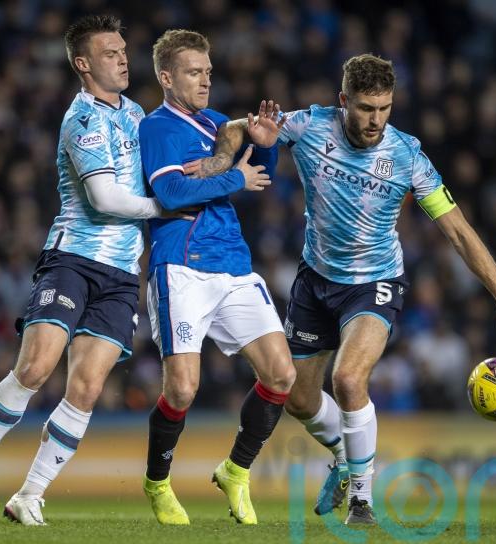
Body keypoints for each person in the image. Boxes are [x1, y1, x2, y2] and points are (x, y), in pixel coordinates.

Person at [206, 53, 496, 524]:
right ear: (344, 102)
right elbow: (239, 125)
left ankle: (363, 500)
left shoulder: (408, 156)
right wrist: (226, 153)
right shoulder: (310, 126)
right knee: (298, 398)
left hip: (374, 283)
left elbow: (458, 231)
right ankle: (345, 454)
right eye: (364, 108)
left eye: (384, 108)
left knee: (348, 378)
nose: (375, 119)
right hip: (315, 280)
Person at [0, 14, 186, 525]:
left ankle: (30, 494)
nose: (123, 59)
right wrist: (164, 209)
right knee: (34, 368)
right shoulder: (82, 120)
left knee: (87, 387)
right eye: (110, 53)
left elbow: (159, 175)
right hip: (73, 256)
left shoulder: (137, 114)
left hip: (122, 272)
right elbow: (104, 198)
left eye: (124, 50)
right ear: (83, 64)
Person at [138, 29, 296, 525]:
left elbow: (257, 177)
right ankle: (157, 483)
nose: (206, 80)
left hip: (232, 263)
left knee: (281, 375)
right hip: (181, 265)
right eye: (193, 71)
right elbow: (169, 195)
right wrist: (232, 179)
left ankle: (235, 470)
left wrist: (265, 149)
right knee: (182, 389)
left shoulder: (215, 124)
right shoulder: (157, 127)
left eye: (208, 71)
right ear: (167, 77)